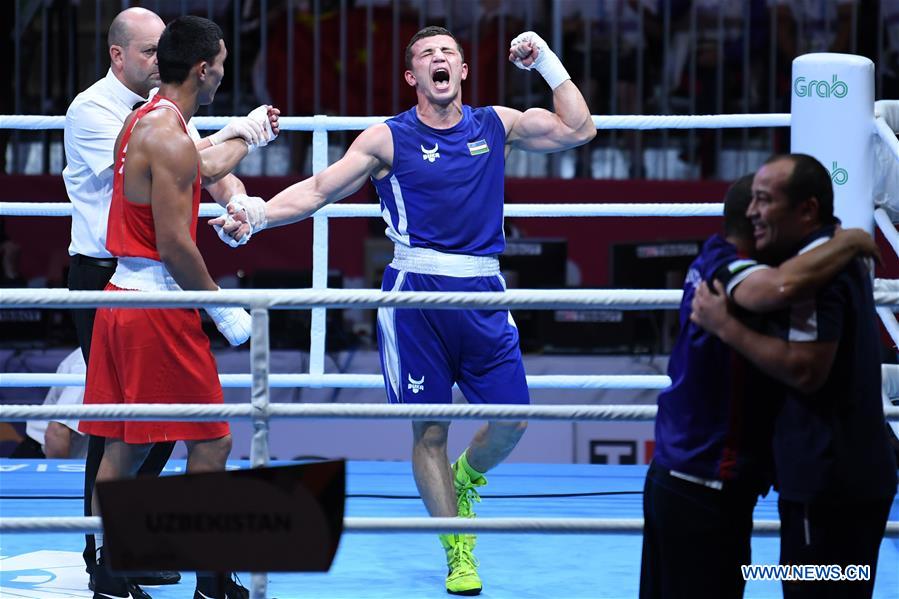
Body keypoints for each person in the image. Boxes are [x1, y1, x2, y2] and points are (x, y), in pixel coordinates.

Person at [211, 25, 596, 596]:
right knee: (430, 430)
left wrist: (545, 60)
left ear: (463, 72)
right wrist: (259, 215)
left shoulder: (498, 123)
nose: (439, 59)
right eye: (426, 55)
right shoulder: (385, 139)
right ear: (412, 76)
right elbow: (319, 189)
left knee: (513, 419)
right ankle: (457, 550)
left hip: (483, 291)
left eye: (449, 53)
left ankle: (466, 479)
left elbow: (579, 128)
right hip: (414, 294)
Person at [62, 7, 278, 593]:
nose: (226, 75)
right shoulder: (161, 130)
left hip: (123, 298)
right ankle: (210, 575)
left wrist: (246, 133)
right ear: (204, 70)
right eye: (224, 67)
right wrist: (223, 307)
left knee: (127, 445)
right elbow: (175, 245)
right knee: (213, 439)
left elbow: (195, 165)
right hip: (157, 304)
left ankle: (113, 569)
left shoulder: (147, 120)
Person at [641, 173, 884, 599]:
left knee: (828, 581)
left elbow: (807, 364)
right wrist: (848, 241)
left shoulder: (818, 272)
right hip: (705, 487)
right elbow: (778, 291)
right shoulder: (734, 269)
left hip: (750, 483)